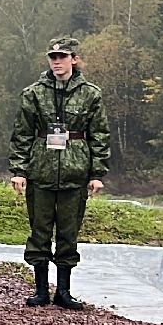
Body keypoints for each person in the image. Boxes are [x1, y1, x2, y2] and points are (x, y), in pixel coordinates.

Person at [8, 35, 110, 309]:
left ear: (74, 60)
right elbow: (22, 134)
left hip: (75, 171)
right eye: (53, 57)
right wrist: (19, 170)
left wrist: (96, 173)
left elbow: (99, 135)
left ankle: (63, 291)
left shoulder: (90, 93)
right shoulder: (34, 92)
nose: (57, 62)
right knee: (39, 231)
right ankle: (41, 289)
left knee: (68, 233)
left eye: (62, 57)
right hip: (41, 170)